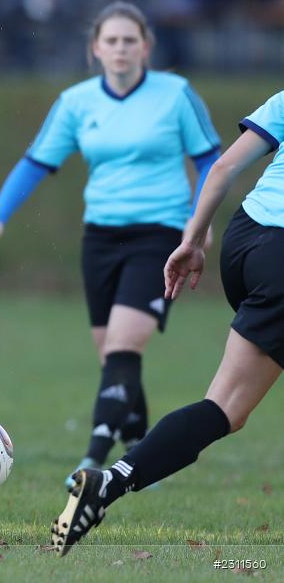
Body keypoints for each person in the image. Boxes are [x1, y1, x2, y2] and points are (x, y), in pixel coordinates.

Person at [0, 1, 220, 489]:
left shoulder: (176, 95)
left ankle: (93, 459)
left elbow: (211, 160)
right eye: (112, 40)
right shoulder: (76, 102)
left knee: (124, 347)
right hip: (100, 238)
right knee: (114, 357)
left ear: (146, 47)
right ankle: (143, 452)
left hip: (161, 236)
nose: (121, 48)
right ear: (95, 49)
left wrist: (199, 219)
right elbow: (37, 161)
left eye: (130, 40)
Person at [51, 90, 284, 556]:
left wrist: (192, 241)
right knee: (226, 407)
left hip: (245, 240)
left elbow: (222, 168)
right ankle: (110, 483)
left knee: (228, 406)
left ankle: (108, 482)